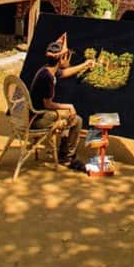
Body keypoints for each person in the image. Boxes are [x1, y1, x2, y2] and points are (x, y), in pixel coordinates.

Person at [28, 33, 94, 171]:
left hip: (33, 114)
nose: (68, 59)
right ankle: (68, 156)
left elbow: (65, 73)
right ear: (60, 60)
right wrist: (68, 106)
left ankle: (63, 151)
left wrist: (84, 65)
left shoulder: (46, 70)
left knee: (68, 116)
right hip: (37, 118)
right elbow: (48, 104)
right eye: (66, 56)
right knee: (77, 120)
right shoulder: (48, 78)